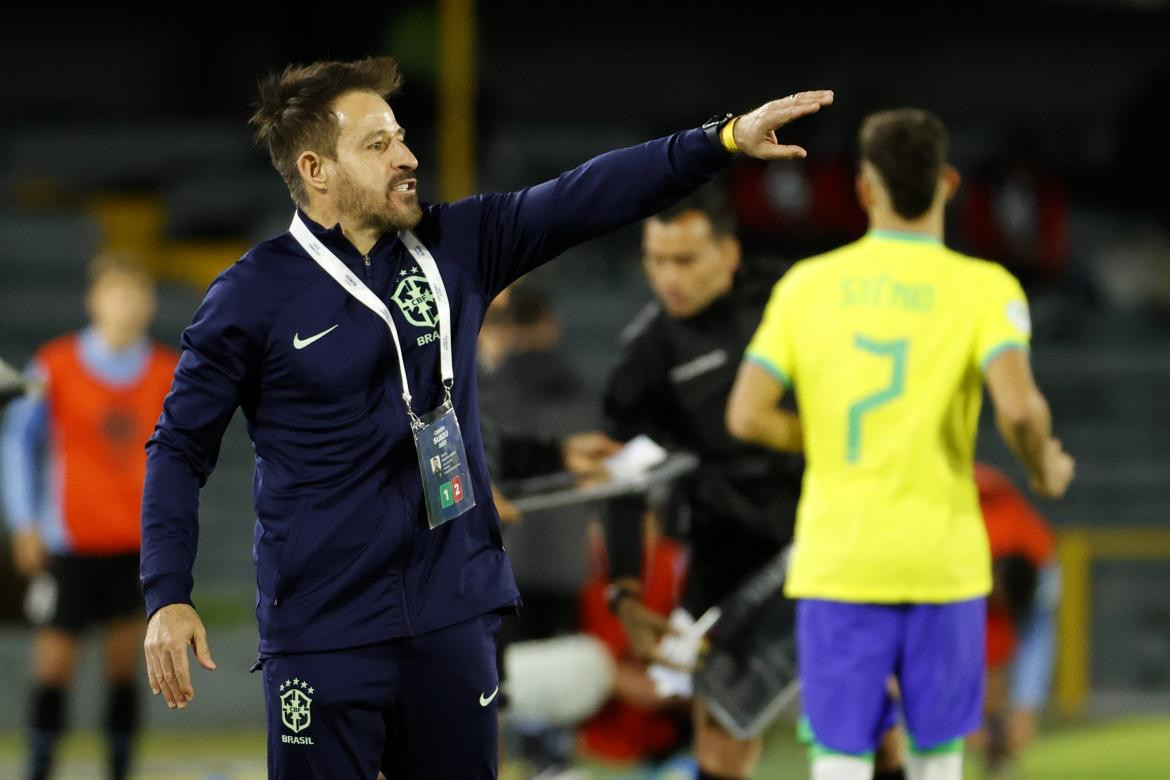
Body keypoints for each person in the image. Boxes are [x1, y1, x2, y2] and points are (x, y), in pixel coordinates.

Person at [137, 54, 833, 779]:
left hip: (453, 614)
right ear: (316, 169)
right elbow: (179, 447)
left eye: (401, 136)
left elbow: (584, 196)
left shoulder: (458, 245)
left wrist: (718, 141)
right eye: (377, 145)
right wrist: (167, 594)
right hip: (324, 631)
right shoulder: (251, 296)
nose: (407, 156)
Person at [726, 108, 1075, 780]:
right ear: (947, 183)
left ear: (864, 190)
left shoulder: (807, 287)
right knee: (936, 757)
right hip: (941, 562)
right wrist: (1045, 467)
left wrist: (817, 435)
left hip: (840, 558)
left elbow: (745, 414)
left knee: (841, 756)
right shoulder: (985, 288)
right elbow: (1020, 408)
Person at [600, 186, 805, 780]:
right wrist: (625, 590)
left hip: (827, 527)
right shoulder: (646, 356)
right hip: (731, 550)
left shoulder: (793, 296)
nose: (668, 277)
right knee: (721, 728)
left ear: (729, 254)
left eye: (684, 260)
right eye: (656, 260)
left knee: (877, 705)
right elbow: (624, 481)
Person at [1, 253, 177, 780]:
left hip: (135, 547)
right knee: (53, 664)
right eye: (115, 292)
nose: (125, 303)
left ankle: (120, 768)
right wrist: (26, 521)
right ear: (93, 300)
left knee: (126, 667)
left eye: (135, 292)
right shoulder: (54, 365)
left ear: (148, 303)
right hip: (69, 546)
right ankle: (39, 765)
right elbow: (17, 443)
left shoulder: (169, 371)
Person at [972, 462, 1059, 777]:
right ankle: (992, 736)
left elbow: (1038, 634)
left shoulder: (1037, 567)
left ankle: (1004, 736)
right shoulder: (980, 526)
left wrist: (1026, 707)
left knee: (1012, 646)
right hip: (982, 571)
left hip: (1032, 572)